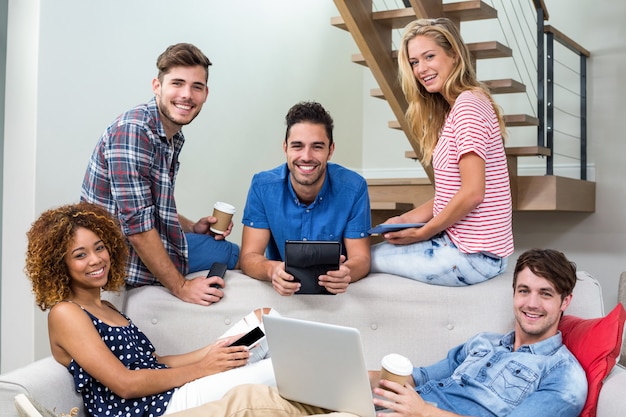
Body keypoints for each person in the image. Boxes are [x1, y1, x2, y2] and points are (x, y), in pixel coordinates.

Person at [164, 248, 588, 417]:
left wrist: (423, 412)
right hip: (387, 405)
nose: (532, 303)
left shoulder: (563, 378)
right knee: (251, 399)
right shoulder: (482, 344)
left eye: (545, 294)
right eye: (524, 291)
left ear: (565, 302)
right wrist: (337, 373)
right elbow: (419, 377)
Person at [24, 202, 276, 417]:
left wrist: (213, 351)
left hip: (170, 389)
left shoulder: (107, 307)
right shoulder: (66, 313)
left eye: (99, 247)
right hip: (157, 407)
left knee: (264, 321)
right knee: (274, 370)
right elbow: (125, 384)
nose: (96, 259)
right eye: (80, 255)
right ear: (60, 265)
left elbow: (154, 362)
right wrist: (203, 369)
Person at [81, 43, 239, 306]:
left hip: (141, 241)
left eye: (196, 87)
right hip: (119, 260)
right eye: (177, 83)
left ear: (205, 93)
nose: (187, 95)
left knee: (230, 251)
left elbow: (148, 206)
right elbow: (137, 228)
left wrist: (192, 227)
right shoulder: (133, 132)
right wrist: (182, 287)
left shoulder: (170, 136)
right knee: (233, 255)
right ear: (157, 86)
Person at [370, 18, 513, 286]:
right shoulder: (456, 110)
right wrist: (404, 220)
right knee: (368, 254)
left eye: (429, 56)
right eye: (414, 62)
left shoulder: (468, 106)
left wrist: (425, 232)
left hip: (472, 256)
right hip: (468, 251)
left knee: (363, 261)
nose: (421, 69)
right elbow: (452, 194)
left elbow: (472, 193)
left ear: (454, 55)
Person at [239, 101, 371, 296]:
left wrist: (346, 273)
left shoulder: (354, 188)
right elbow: (249, 257)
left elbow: (361, 258)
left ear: (331, 150)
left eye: (317, 147)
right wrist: (272, 270)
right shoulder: (262, 187)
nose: (306, 156)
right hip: (283, 298)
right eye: (297, 146)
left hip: (335, 299)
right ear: (285, 148)